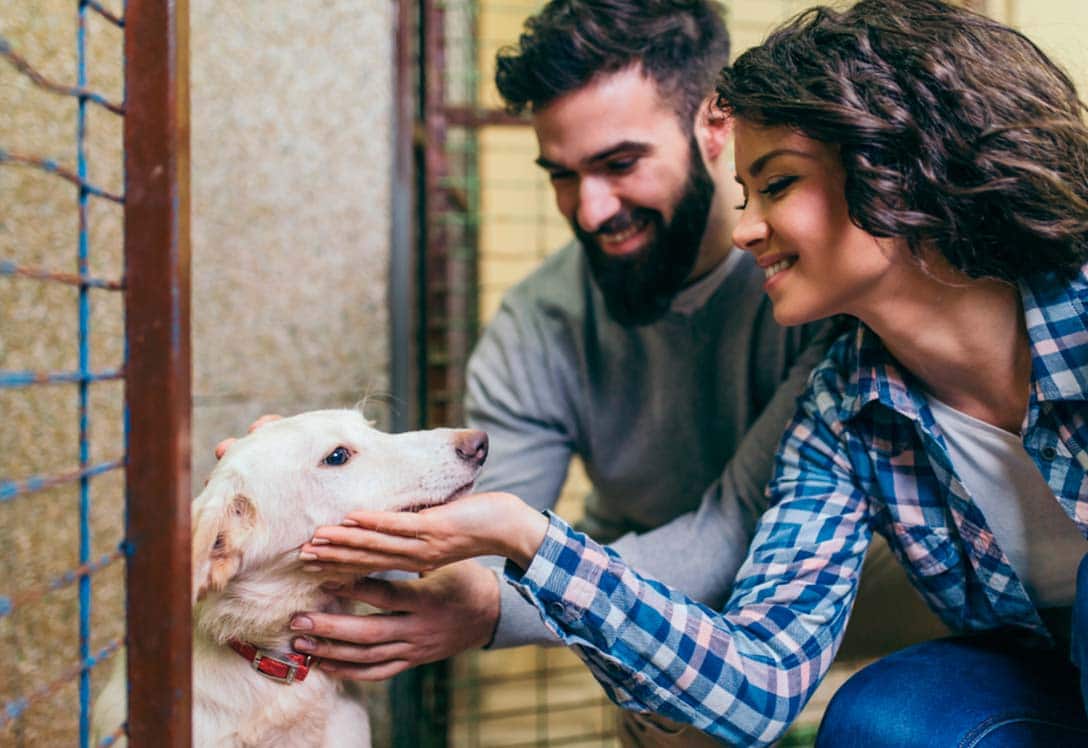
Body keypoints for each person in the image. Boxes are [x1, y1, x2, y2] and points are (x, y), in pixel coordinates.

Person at [295, 0, 1088, 745]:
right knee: (885, 716)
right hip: (974, 638)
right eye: (562, 174)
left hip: (899, 601)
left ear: (894, 169)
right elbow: (756, 674)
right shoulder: (844, 398)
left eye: (776, 185)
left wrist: (511, 585)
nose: (591, 207)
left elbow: (723, 531)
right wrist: (305, 479)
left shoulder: (879, 304)